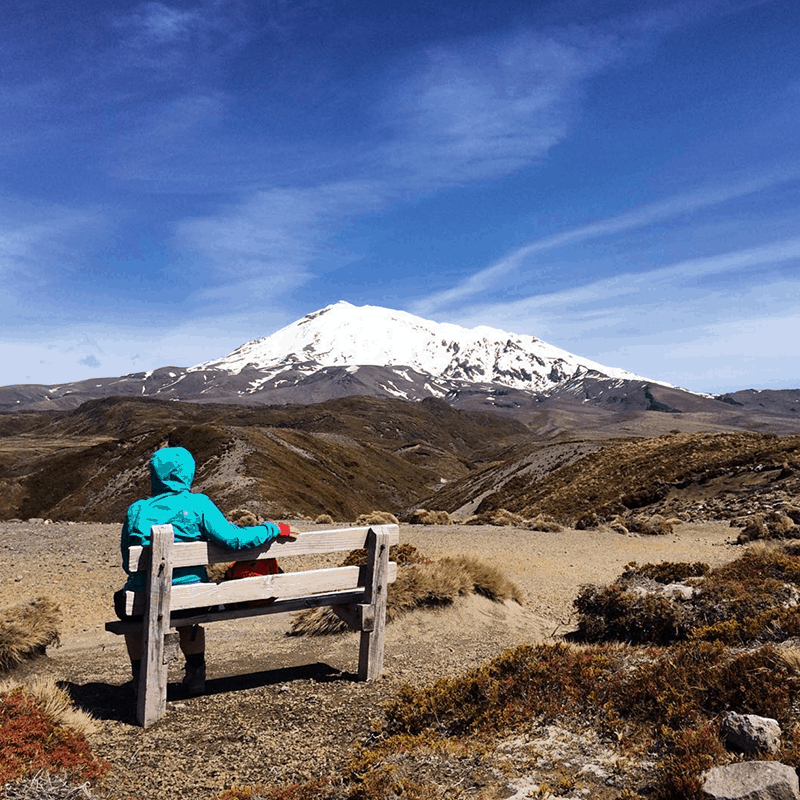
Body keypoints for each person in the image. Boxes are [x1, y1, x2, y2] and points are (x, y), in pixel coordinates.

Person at [115, 445, 291, 696]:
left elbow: (126, 563)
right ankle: (195, 673)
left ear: (155, 474)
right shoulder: (198, 504)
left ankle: (140, 676)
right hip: (193, 599)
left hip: (143, 600)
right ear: (187, 473)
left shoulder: (137, 510)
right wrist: (273, 529)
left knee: (130, 609)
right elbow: (234, 540)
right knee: (190, 613)